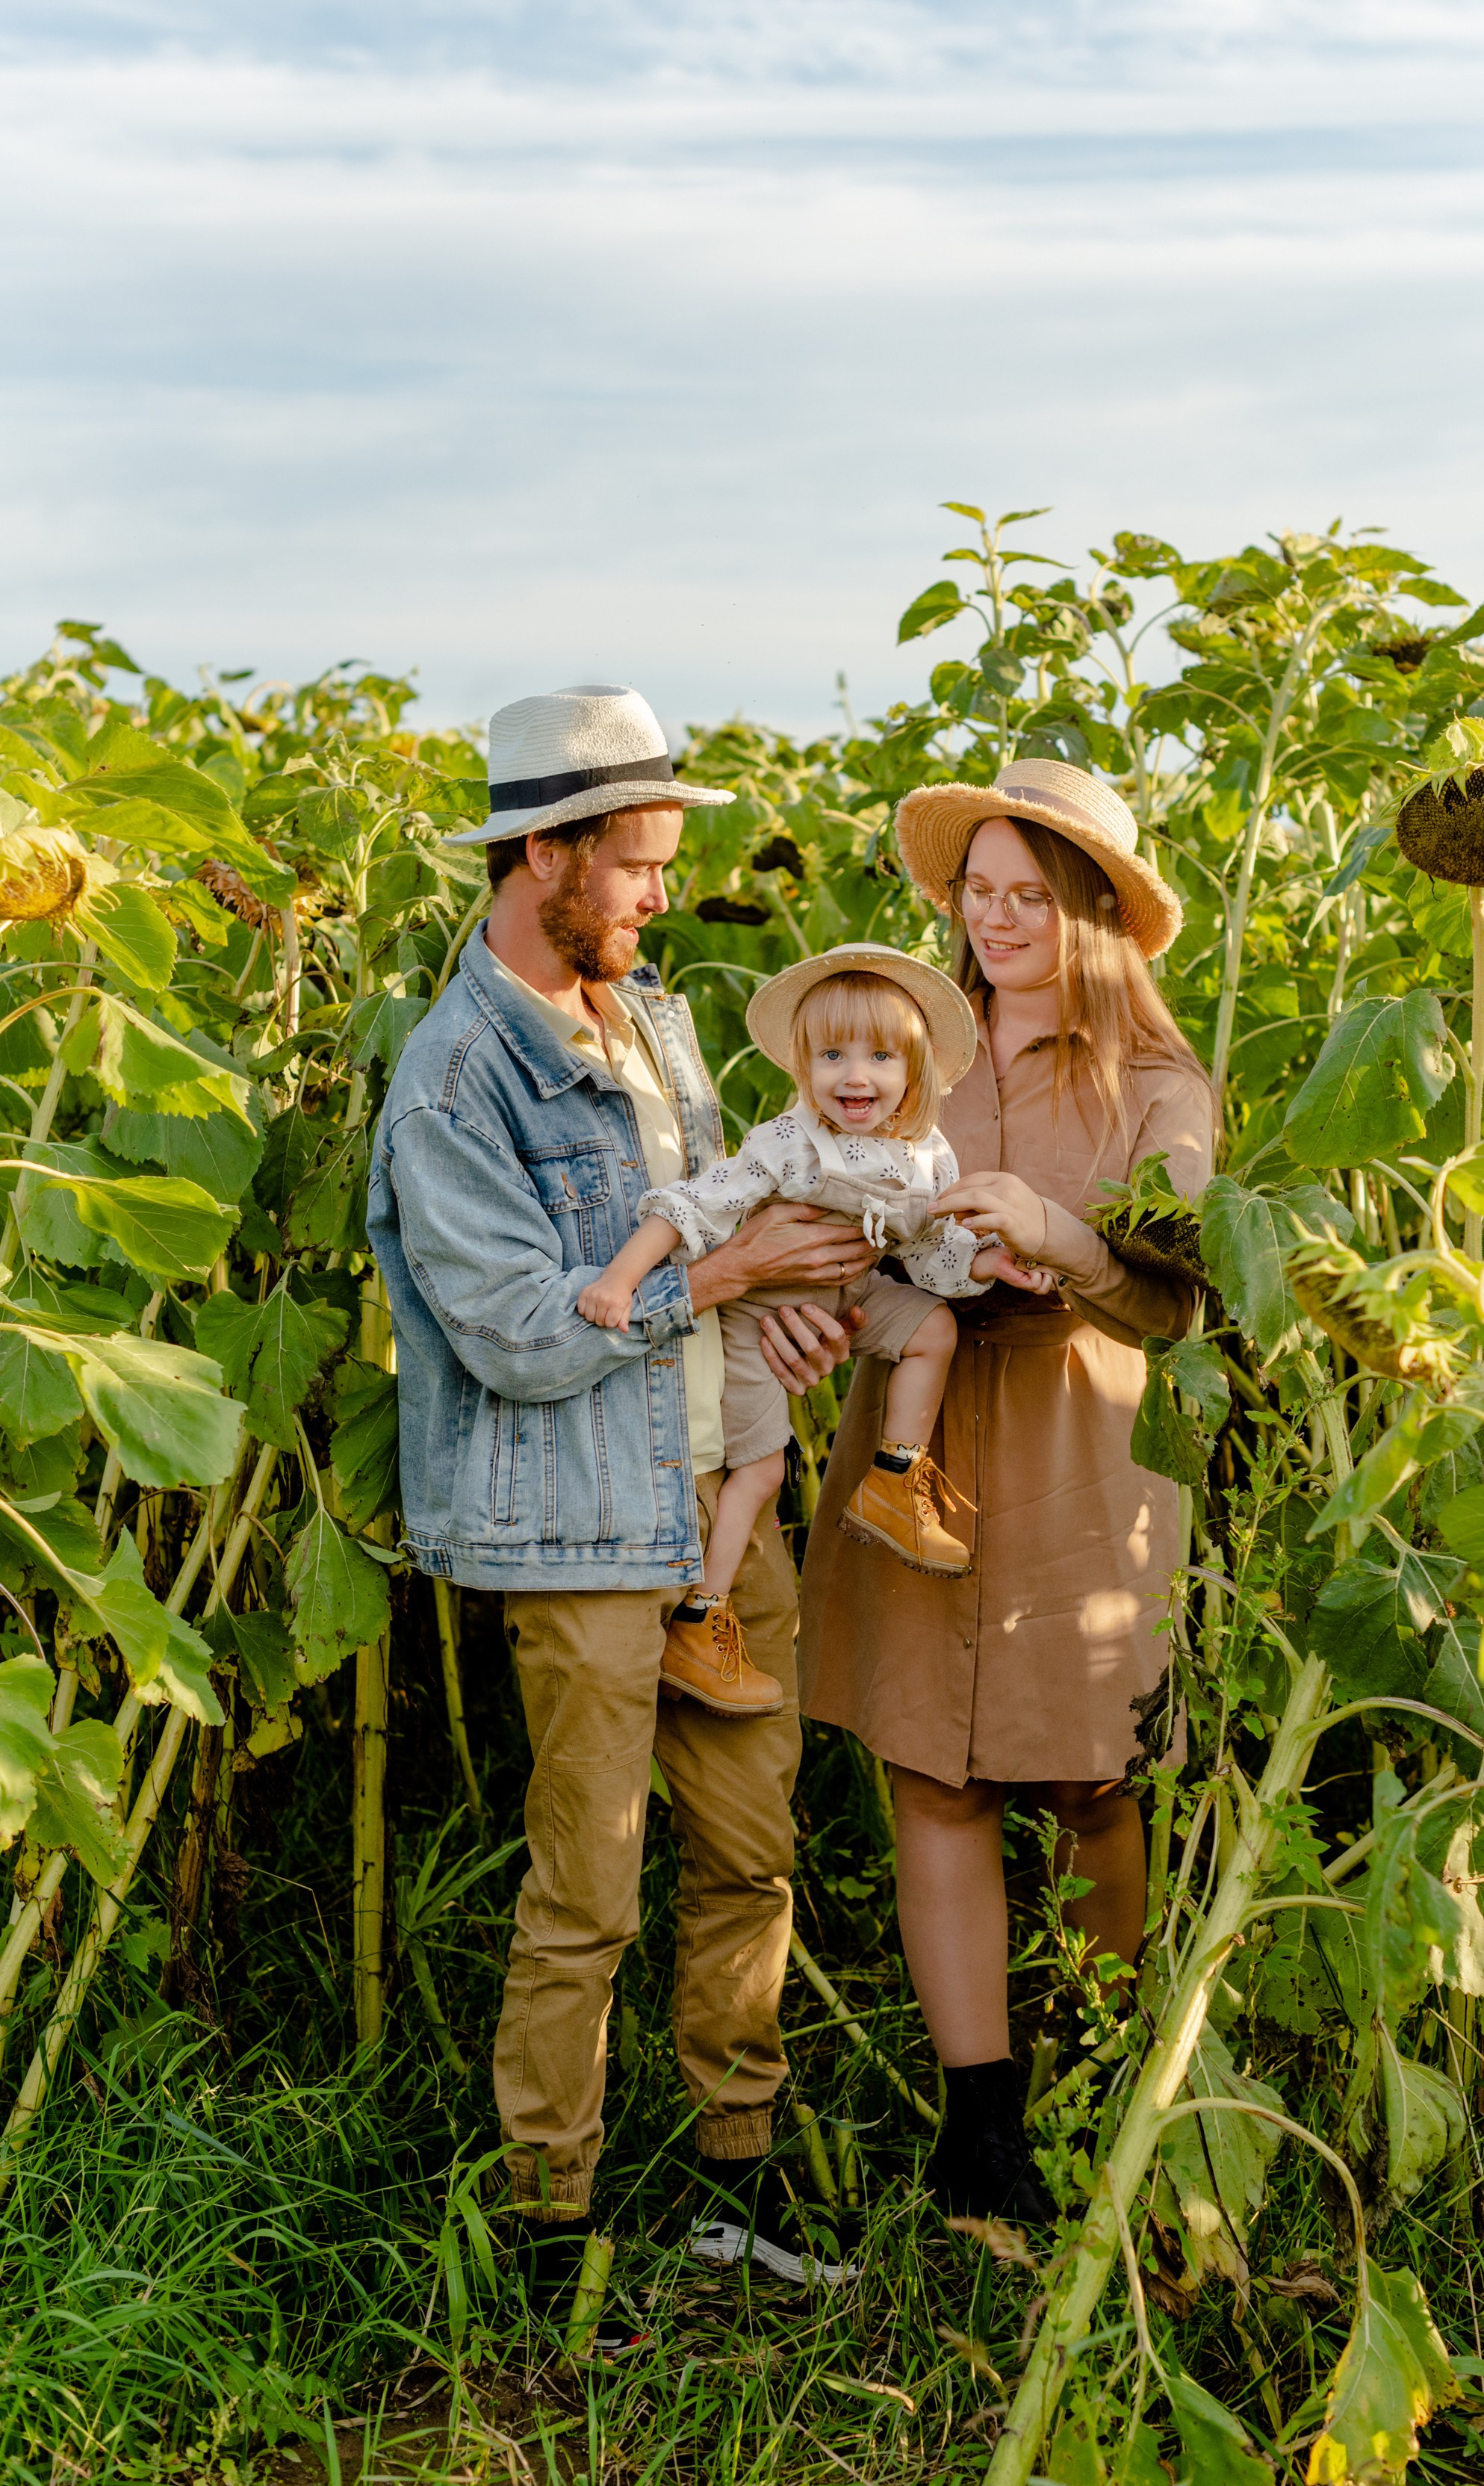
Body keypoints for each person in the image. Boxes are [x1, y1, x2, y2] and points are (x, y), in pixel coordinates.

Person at [368, 683, 872, 2298]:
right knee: (586, 1884)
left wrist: (767, 1295)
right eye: (639, 864)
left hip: (719, 1490)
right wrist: (724, 1268)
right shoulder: (456, 1082)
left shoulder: (647, 1018)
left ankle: (742, 2169)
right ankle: (548, 2226)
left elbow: (713, 1223)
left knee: (749, 1856)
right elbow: (518, 1333)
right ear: (547, 857)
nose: (661, 895)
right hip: (582, 1523)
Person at [792, 756, 1214, 2223]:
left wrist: (1061, 1236)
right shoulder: (913, 1055)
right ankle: (981, 2136)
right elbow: (825, 1198)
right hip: (919, 1426)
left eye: (1028, 894)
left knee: (1088, 1771)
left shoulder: (1162, 1087)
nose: (998, 919)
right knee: (930, 1770)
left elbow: (1179, 1292)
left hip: (1078, 1447)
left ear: (1089, 908)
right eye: (978, 892)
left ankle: (1098, 2075)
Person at [576, 945, 1050, 1707]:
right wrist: (619, 1278)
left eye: (877, 1055)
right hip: (761, 1316)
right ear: (804, 1064)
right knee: (760, 1471)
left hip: (851, 1296)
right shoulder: (786, 1145)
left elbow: (931, 1253)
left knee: (932, 1328)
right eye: (830, 1054)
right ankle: (701, 1618)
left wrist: (990, 1265)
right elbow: (693, 1207)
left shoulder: (921, 1157)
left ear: (914, 1070)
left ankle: (895, 1475)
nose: (852, 1075)